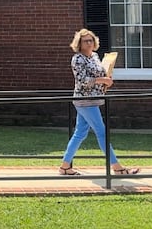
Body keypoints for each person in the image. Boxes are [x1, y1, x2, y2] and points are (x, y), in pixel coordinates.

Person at [59, 29, 139, 176]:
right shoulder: (78, 59)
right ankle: (117, 167)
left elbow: (101, 74)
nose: (89, 43)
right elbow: (82, 81)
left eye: (91, 40)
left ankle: (65, 167)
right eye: (85, 41)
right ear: (79, 44)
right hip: (84, 100)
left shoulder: (95, 56)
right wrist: (102, 80)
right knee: (102, 133)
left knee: (80, 133)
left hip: (95, 99)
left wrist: (106, 81)